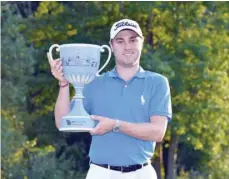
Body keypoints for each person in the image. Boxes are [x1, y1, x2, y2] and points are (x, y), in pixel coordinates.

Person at [48, 19, 172, 179]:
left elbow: (157, 132)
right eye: (120, 41)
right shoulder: (93, 83)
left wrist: (115, 125)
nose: (127, 46)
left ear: (141, 43)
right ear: (112, 46)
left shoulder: (157, 82)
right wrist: (64, 84)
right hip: (101, 173)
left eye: (133, 40)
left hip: (142, 173)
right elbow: (62, 122)